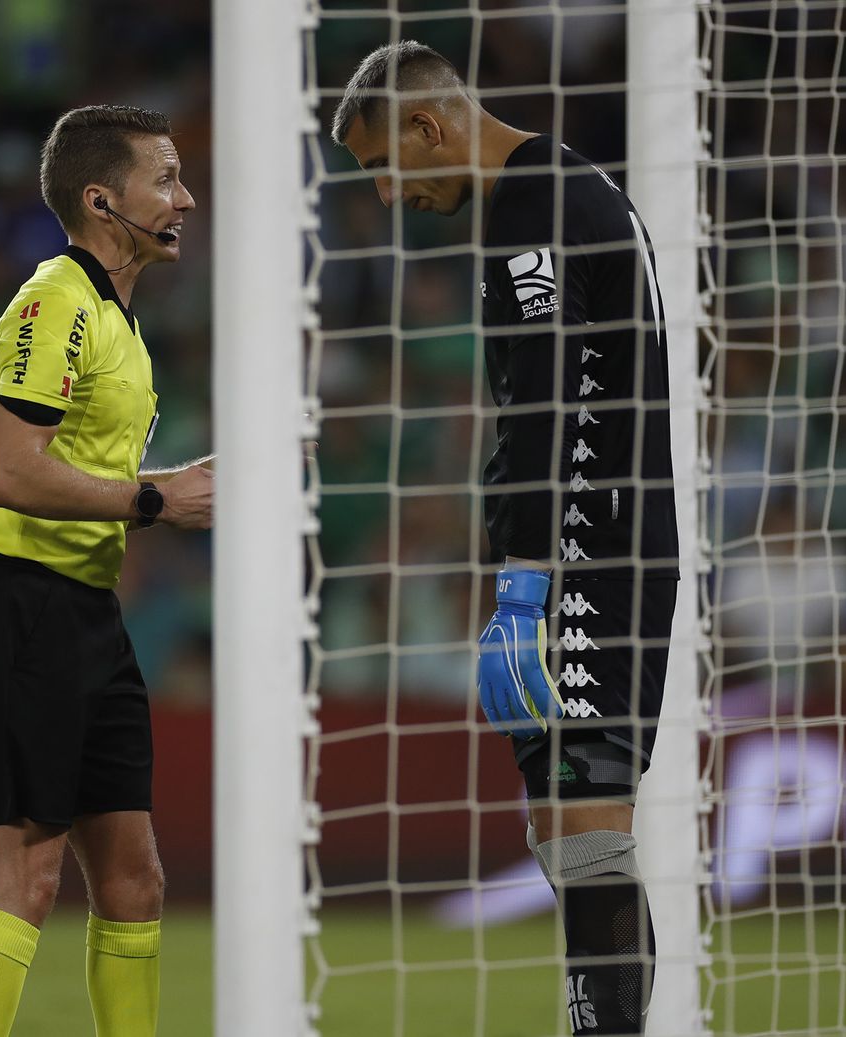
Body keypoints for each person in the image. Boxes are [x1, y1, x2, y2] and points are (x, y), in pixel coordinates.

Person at [332, 42, 680, 1036]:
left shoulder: (536, 198)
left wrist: (528, 576)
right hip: (603, 546)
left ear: (426, 126)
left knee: (585, 830)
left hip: (586, 555)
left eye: (383, 166)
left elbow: (557, 384)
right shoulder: (567, 190)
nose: (390, 195)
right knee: (569, 830)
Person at [0, 104, 212, 1037]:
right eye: (165, 180)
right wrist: (152, 500)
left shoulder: (117, 318)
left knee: (135, 878)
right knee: (28, 877)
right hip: (13, 600)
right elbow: (7, 471)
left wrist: (164, 487)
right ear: (103, 200)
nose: (185, 198)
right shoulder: (56, 300)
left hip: (83, 608)